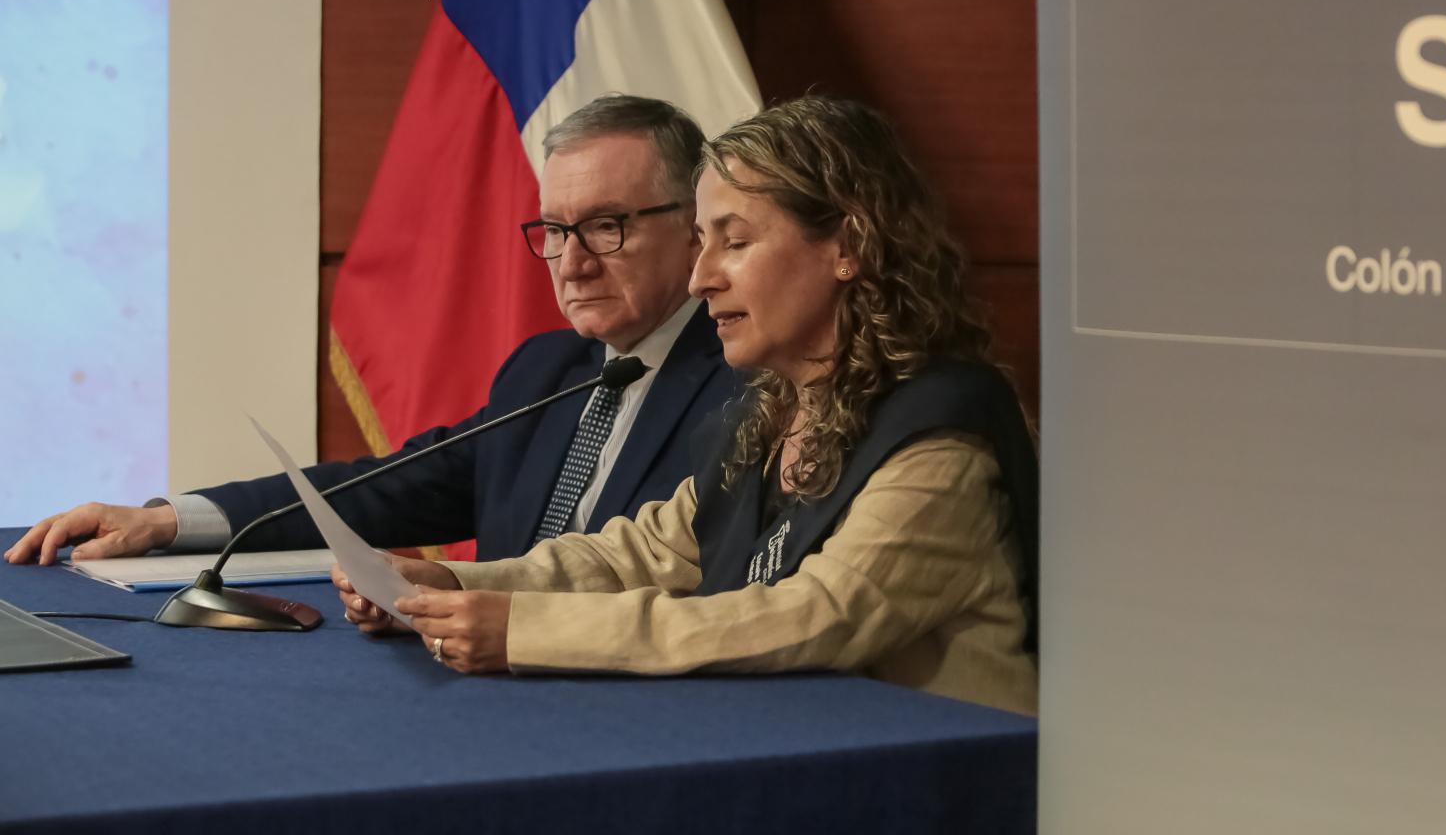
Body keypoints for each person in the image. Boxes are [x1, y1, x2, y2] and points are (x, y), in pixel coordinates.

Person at [336, 97, 1039, 715]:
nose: (701, 279)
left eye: (735, 242)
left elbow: (815, 617)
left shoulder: (942, 440)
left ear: (847, 247)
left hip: (945, 786)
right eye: (703, 242)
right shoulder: (772, 413)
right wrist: (448, 586)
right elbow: (639, 555)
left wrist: (521, 630)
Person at [5, 94, 747, 567]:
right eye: (555, 230)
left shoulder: (751, 385)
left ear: (695, 228)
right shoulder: (548, 370)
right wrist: (169, 521)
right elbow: (384, 488)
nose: (573, 263)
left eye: (606, 226)